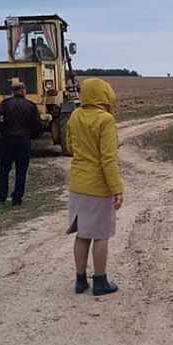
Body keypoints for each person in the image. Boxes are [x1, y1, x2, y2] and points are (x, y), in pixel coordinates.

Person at [66, 78, 124, 296]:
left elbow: (70, 146)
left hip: (77, 184)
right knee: (101, 235)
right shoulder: (105, 119)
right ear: (105, 95)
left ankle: (80, 281)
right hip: (98, 186)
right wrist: (117, 189)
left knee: (82, 233)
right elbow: (108, 159)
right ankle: (100, 281)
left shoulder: (75, 115)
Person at [0, 82, 42, 208]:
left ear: (12, 92)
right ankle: (17, 200)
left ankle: (1, 197)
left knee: (4, 169)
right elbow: (37, 125)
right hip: (23, 141)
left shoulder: (6, 103)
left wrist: (1, 129)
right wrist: (32, 135)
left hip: (7, 140)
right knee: (21, 171)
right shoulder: (30, 105)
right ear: (24, 91)